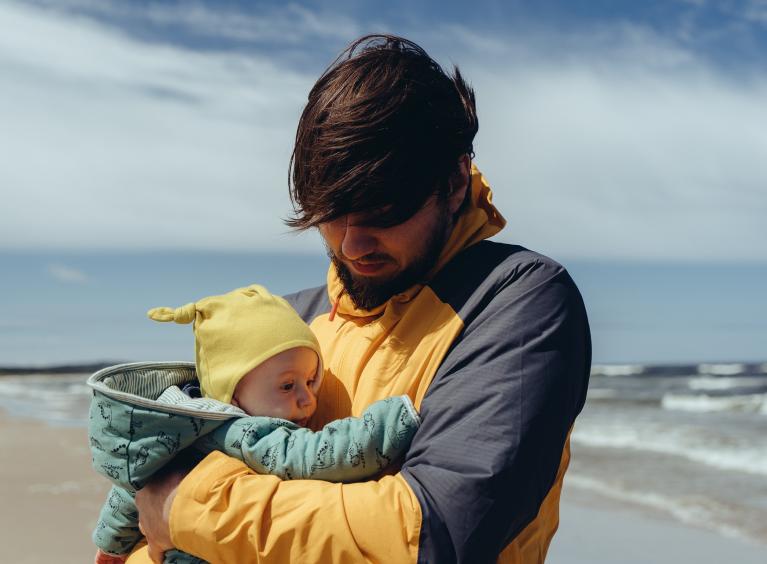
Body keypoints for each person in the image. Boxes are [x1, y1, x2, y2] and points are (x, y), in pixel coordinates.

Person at [131, 34, 591, 563]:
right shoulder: (290, 323)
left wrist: (189, 510)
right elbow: (164, 479)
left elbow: (433, 533)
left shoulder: (517, 300)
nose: (351, 246)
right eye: (329, 214)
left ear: (456, 180)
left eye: (383, 212)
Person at [88, 285, 419, 563]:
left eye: (311, 380)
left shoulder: (176, 425)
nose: (308, 400)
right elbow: (317, 456)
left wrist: (110, 546)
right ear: (232, 394)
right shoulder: (245, 432)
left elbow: (128, 492)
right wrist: (392, 421)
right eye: (288, 386)